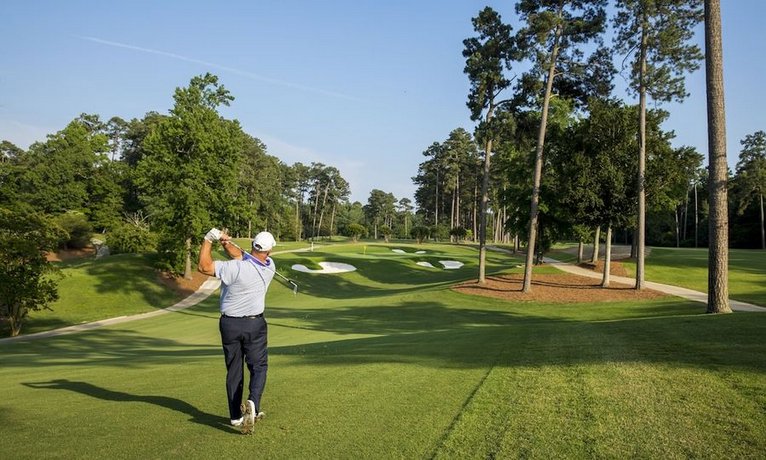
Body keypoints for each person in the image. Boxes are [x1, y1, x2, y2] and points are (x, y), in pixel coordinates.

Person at [198, 228, 277, 434]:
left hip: (230, 325)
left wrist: (209, 239)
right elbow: (242, 255)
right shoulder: (270, 266)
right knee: (258, 366)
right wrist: (225, 243)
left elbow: (204, 266)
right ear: (268, 252)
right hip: (255, 324)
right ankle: (253, 403)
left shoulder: (233, 268)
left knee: (234, 369)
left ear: (253, 245)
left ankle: (235, 416)